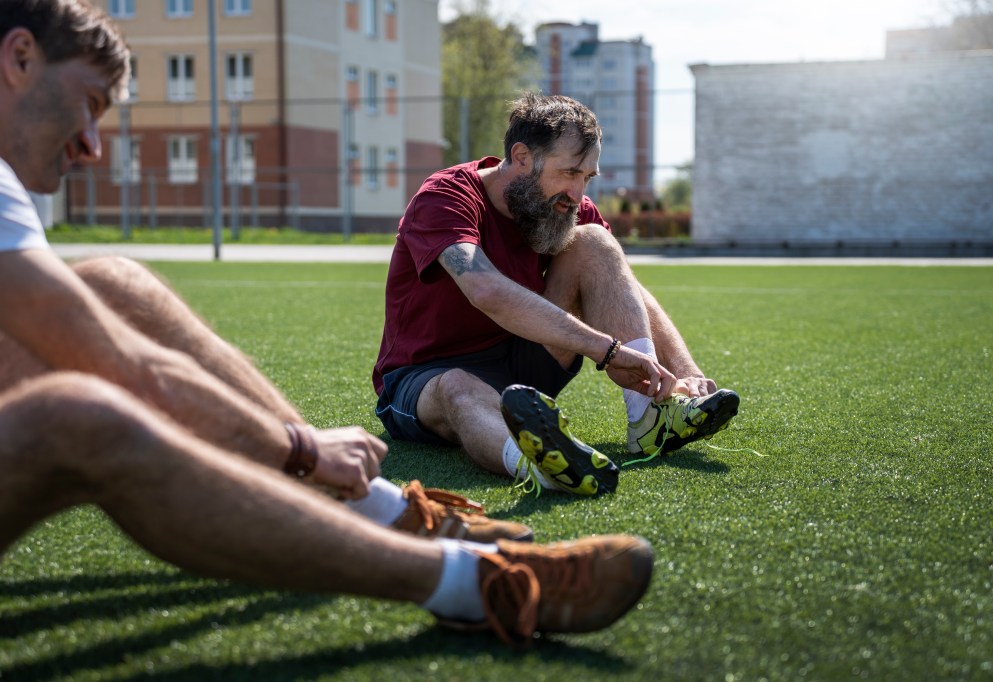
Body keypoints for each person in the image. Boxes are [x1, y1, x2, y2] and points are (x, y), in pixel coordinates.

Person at [0, 0, 654, 647]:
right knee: (79, 413)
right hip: (426, 377)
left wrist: (667, 375)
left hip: (504, 364)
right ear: (20, 58)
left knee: (117, 284)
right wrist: (301, 451)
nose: (91, 144)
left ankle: (387, 512)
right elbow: (126, 368)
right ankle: (468, 582)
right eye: (89, 103)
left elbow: (614, 277)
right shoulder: (449, 191)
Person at [374, 92, 740, 496]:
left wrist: (687, 372)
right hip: (425, 377)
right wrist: (607, 349)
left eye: (587, 177)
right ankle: (541, 465)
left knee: (596, 243)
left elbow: (625, 288)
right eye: (569, 172)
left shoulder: (566, 206)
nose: (579, 192)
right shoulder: (446, 196)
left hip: (522, 364)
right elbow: (484, 289)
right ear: (523, 157)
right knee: (460, 387)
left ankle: (650, 418)